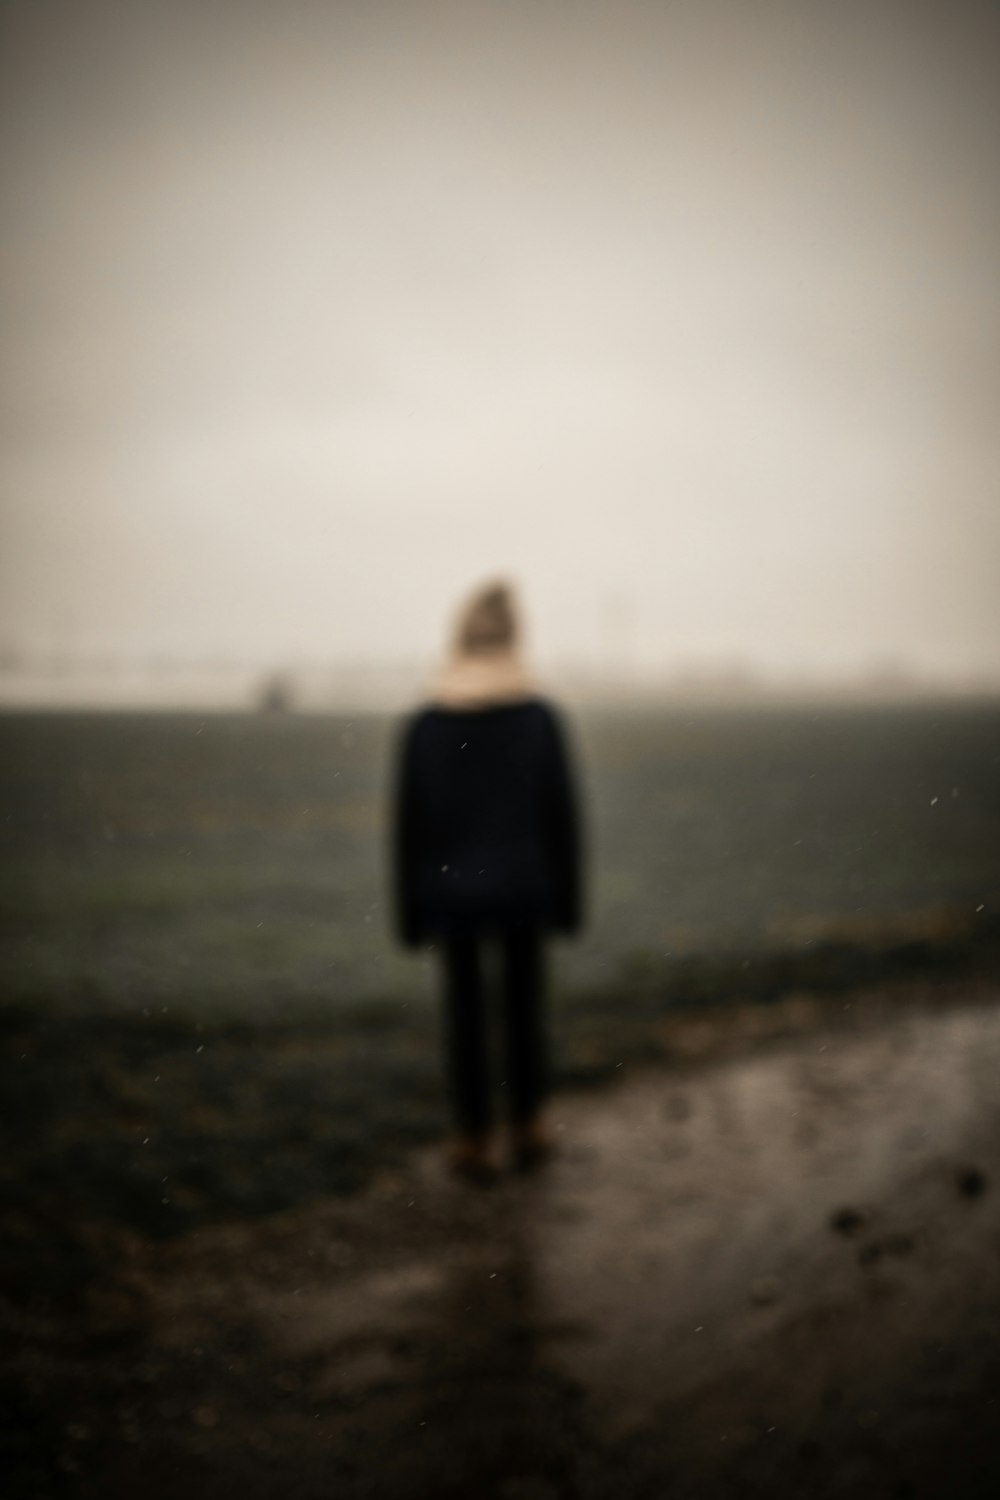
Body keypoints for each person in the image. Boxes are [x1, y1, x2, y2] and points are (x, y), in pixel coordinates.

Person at [392, 581, 583, 1180]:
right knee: (525, 1009)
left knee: (465, 1016)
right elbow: (562, 816)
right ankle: (527, 1126)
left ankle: (472, 1137)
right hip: (525, 887)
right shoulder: (539, 720)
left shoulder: (425, 725)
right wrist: (569, 899)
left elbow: (408, 826)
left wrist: (409, 912)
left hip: (451, 894)